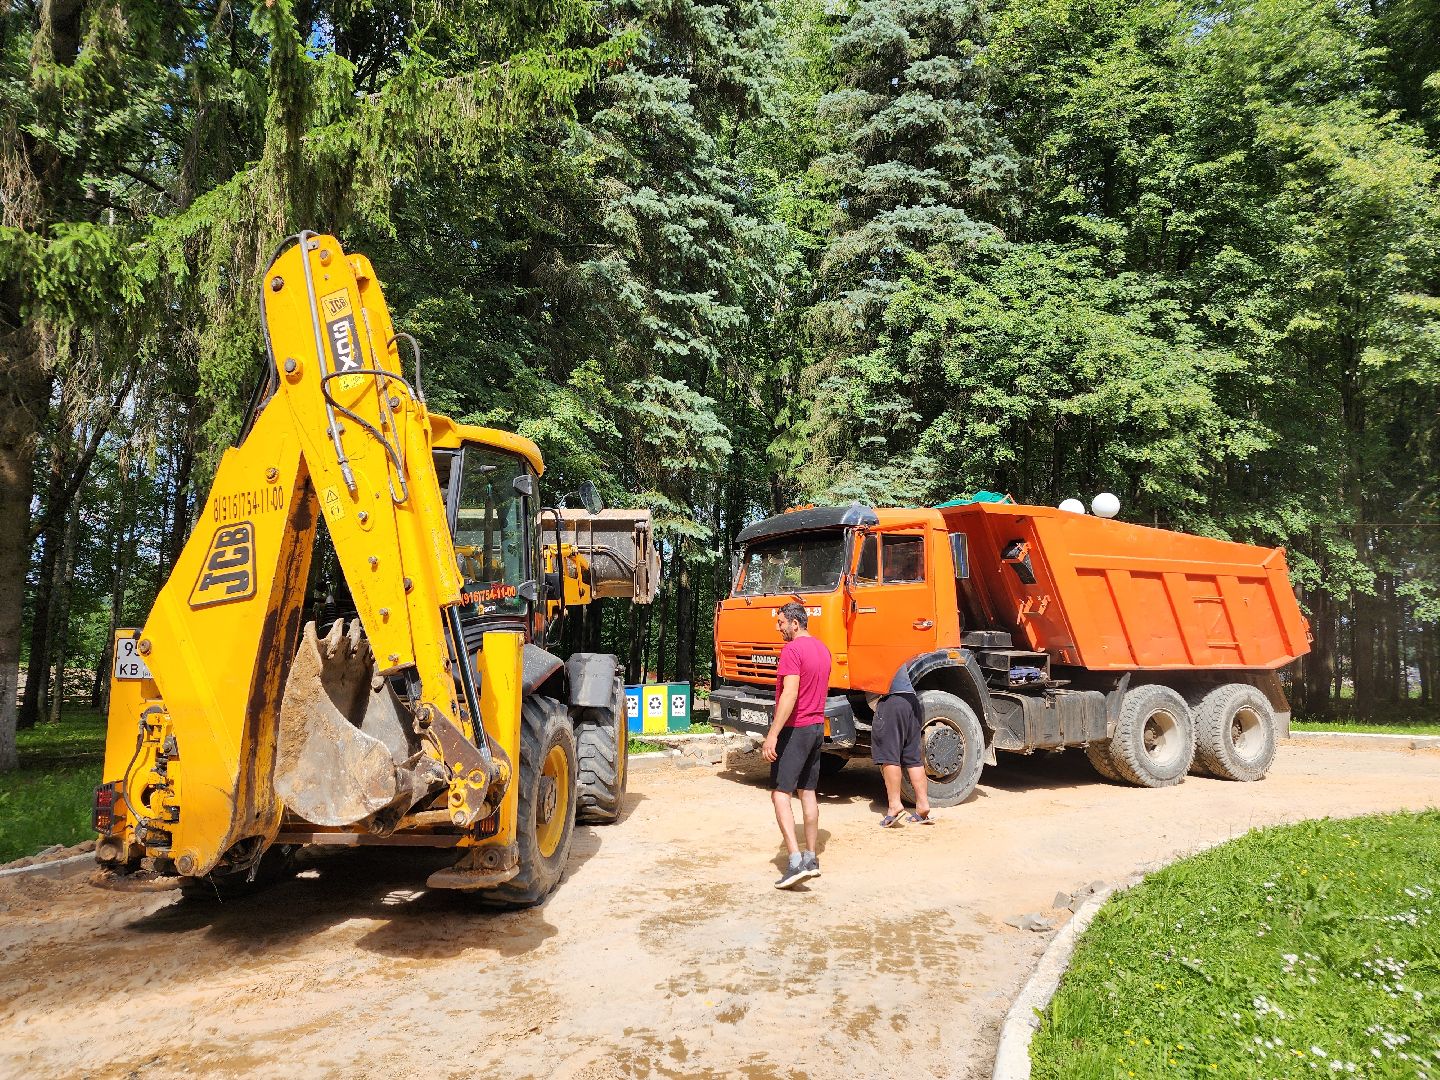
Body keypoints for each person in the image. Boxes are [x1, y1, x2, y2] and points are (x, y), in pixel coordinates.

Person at [762, 601, 832, 889]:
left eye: (781, 623)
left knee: (780, 794)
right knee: (808, 792)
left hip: (796, 728)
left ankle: (794, 863)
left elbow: (789, 694)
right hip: (816, 727)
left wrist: (773, 734)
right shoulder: (822, 649)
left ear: (795, 623)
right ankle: (811, 858)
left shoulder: (792, 650)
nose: (778, 628)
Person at [870, 667, 932, 827]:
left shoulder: (870, 646)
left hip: (891, 700)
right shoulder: (895, 645)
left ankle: (894, 805)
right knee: (913, 757)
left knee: (889, 756)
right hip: (911, 700)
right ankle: (923, 805)